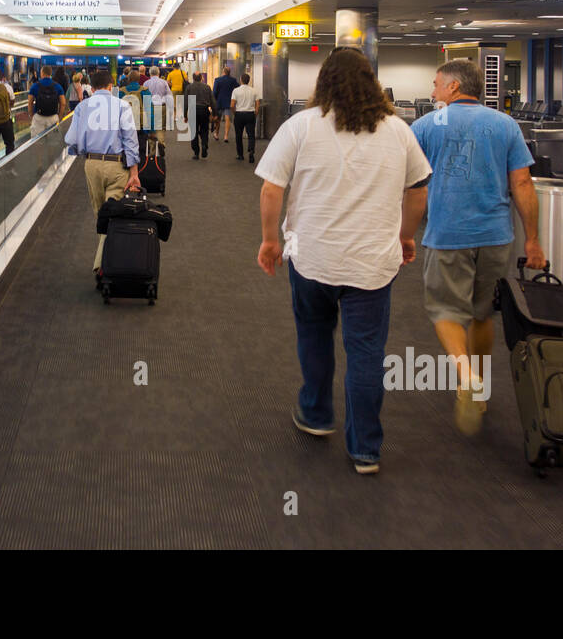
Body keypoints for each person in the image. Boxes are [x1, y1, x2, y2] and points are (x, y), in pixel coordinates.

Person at [255, 49, 432, 475]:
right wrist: (406, 235)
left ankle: (316, 414)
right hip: (372, 264)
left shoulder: (300, 125)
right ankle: (365, 448)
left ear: (323, 81)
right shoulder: (398, 131)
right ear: (372, 82)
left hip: (311, 257)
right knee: (367, 352)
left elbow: (271, 190)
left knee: (314, 336)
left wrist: (268, 241)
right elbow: (419, 191)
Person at [411, 58, 546, 437]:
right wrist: (532, 240)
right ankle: (481, 388)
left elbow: (411, 184)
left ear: (454, 87)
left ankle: (466, 375)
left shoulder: (424, 126)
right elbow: (522, 184)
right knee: (483, 311)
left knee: (445, 311)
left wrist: (401, 231)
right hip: (496, 235)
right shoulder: (505, 125)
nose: (433, 90)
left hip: (448, 233)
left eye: (437, 84)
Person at [64, 68, 142, 282]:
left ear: (94, 87)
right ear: (110, 87)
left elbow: (70, 139)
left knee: (101, 214)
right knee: (114, 214)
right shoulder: (122, 106)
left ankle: (104, 262)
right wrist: (134, 172)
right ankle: (104, 264)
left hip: (91, 164)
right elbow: (130, 141)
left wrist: (83, 151)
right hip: (116, 166)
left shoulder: (82, 107)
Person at [28, 65, 67, 137]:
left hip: (38, 118)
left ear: (42, 73)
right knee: (53, 143)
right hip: (53, 117)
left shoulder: (35, 86)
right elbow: (63, 103)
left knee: (36, 143)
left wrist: (32, 115)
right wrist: (59, 117)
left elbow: (30, 102)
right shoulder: (57, 86)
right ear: (50, 73)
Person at [231, 73, 261, 162]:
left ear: (241, 80)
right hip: (250, 114)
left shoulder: (236, 91)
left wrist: (234, 113)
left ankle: (240, 155)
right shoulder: (254, 91)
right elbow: (257, 105)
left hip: (239, 114)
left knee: (238, 135)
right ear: (249, 80)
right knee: (251, 135)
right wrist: (255, 113)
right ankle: (251, 151)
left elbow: (232, 105)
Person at [187, 71, 215, 160]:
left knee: (193, 132)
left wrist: (184, 114)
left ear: (193, 78)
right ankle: (204, 144)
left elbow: (185, 102)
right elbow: (212, 101)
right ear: (201, 78)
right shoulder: (207, 87)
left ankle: (196, 152)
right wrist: (215, 113)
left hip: (192, 111)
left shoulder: (189, 87)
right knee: (204, 130)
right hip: (204, 110)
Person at [212, 66, 236, 144]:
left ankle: (216, 134)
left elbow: (214, 92)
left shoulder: (218, 80)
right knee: (227, 119)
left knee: (217, 119)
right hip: (228, 102)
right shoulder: (233, 80)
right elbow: (237, 88)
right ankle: (226, 136)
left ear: (223, 72)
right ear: (229, 73)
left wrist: (213, 101)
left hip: (219, 102)